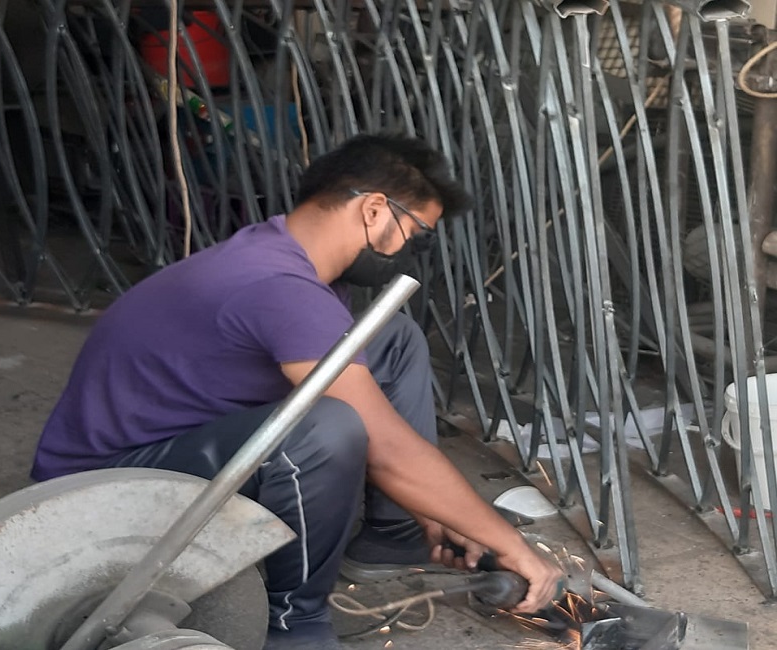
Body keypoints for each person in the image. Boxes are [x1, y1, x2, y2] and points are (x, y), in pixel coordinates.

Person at [31, 133, 563, 649]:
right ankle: (295, 625)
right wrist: (509, 544)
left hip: (172, 439)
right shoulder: (282, 289)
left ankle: (394, 531)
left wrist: (441, 515)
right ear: (374, 210)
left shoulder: (280, 253)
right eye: (416, 233)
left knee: (389, 339)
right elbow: (388, 448)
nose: (411, 251)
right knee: (325, 429)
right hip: (100, 493)